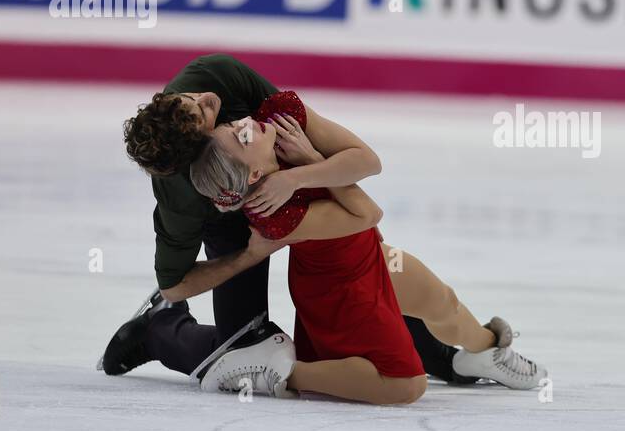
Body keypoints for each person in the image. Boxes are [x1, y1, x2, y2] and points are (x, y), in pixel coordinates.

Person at [104, 53, 527, 389]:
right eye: (204, 117)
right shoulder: (181, 196)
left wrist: (298, 175)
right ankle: (161, 329)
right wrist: (249, 255)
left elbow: (329, 151)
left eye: (189, 100)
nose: (204, 99)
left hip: (292, 188)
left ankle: (440, 356)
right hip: (234, 221)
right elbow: (175, 284)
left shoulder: (216, 77)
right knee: (247, 351)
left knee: (371, 265)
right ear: (203, 150)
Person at [188, 89, 546, 402]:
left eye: (236, 126)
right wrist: (311, 162)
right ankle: (277, 371)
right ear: (253, 176)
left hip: (370, 256)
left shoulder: (280, 117)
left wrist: (299, 172)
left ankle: (484, 355)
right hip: (339, 288)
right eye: (242, 138)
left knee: (444, 302)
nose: (245, 124)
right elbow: (369, 213)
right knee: (405, 385)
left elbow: (368, 162)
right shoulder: (273, 212)